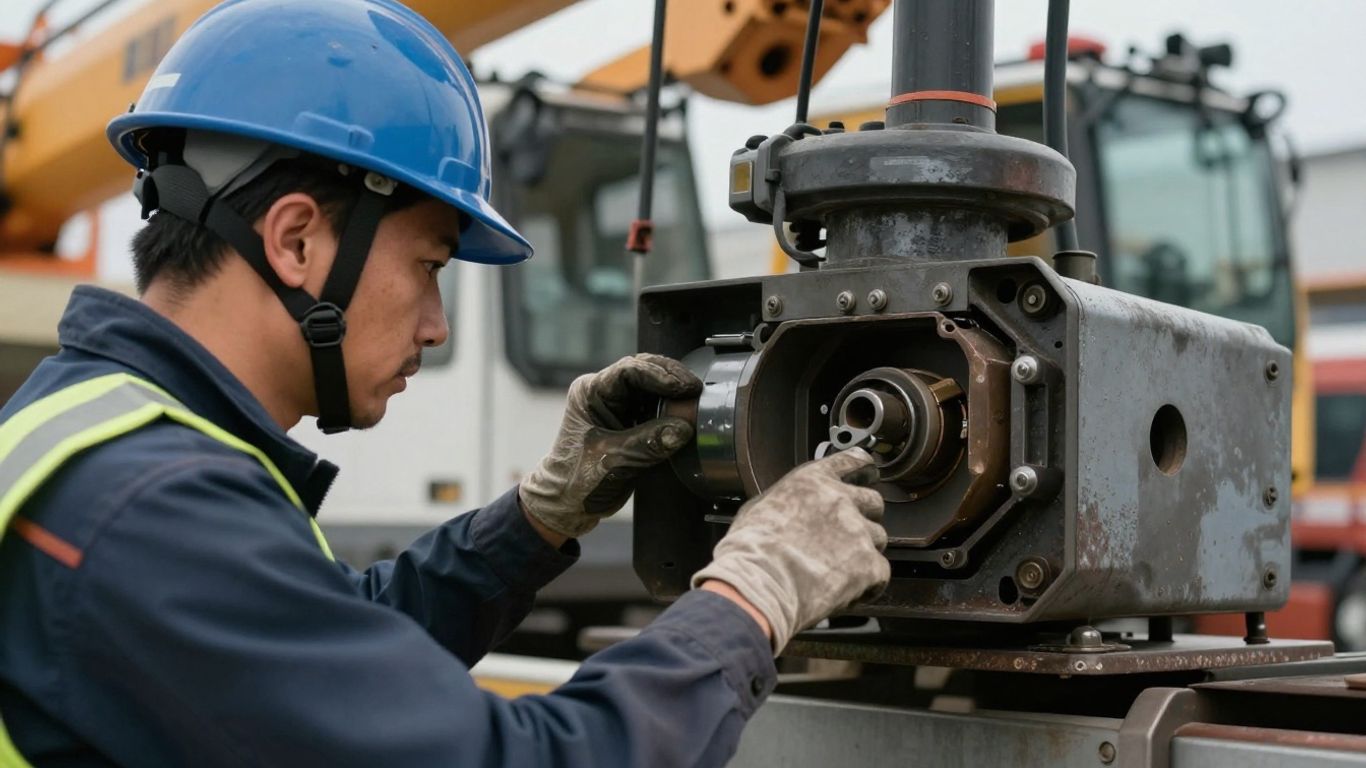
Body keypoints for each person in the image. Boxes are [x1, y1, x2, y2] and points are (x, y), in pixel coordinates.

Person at [0, 0, 889, 765]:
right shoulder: (152, 512)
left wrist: (542, 514)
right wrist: (750, 597)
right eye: (429, 265)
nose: (437, 321)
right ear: (297, 241)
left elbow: (336, 654)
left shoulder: (96, 435)